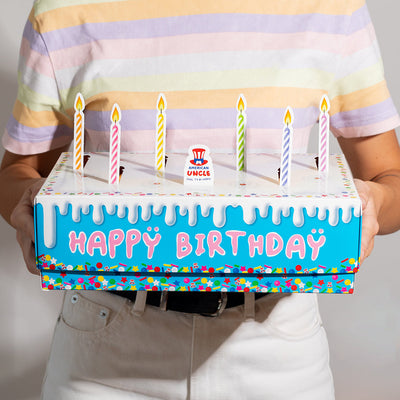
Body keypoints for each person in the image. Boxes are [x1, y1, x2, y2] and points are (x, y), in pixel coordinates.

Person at [1, 0, 400, 398]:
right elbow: (16, 175)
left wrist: (371, 204)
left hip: (275, 343)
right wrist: (31, 207)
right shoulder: (63, 9)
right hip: (106, 346)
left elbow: (389, 180)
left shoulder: (335, 9)